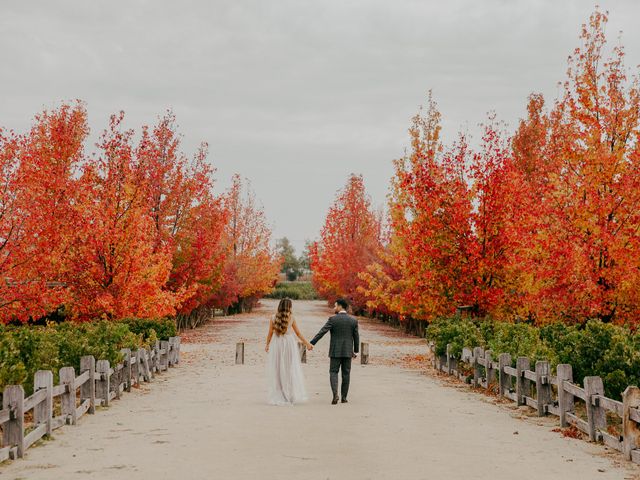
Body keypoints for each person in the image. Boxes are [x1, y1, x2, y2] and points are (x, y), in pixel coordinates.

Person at [310, 298, 359, 404]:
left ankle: (335, 395)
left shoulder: (332, 319)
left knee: (333, 372)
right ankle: (344, 397)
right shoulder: (353, 320)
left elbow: (322, 332)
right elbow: (356, 337)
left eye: (335, 306)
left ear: (340, 306)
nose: (334, 308)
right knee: (346, 374)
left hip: (335, 351)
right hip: (347, 351)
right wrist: (356, 351)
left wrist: (312, 343)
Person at [265, 298, 313, 405]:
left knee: (277, 370)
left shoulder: (273, 317)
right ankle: (290, 394)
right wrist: (307, 344)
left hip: (277, 344)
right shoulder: (291, 318)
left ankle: (280, 394)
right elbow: (298, 333)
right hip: (289, 344)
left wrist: (267, 344)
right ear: (289, 307)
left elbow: (270, 333)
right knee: (289, 369)